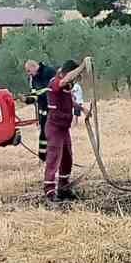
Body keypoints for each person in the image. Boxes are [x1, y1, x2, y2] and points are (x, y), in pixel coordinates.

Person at [43, 58, 85, 203]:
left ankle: (63, 188)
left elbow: (68, 100)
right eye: (76, 76)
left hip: (64, 127)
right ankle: (49, 192)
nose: (76, 80)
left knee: (67, 158)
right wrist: (83, 65)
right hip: (54, 127)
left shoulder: (66, 86)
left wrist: (82, 108)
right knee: (54, 159)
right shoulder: (56, 82)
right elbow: (62, 83)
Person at [27, 59, 53, 165]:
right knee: (43, 136)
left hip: (53, 110)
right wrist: (27, 100)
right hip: (43, 111)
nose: (28, 74)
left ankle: (55, 158)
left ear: (34, 67)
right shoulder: (33, 79)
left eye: (29, 71)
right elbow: (35, 95)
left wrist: (40, 93)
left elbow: (51, 89)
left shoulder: (49, 71)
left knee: (54, 135)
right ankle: (42, 159)